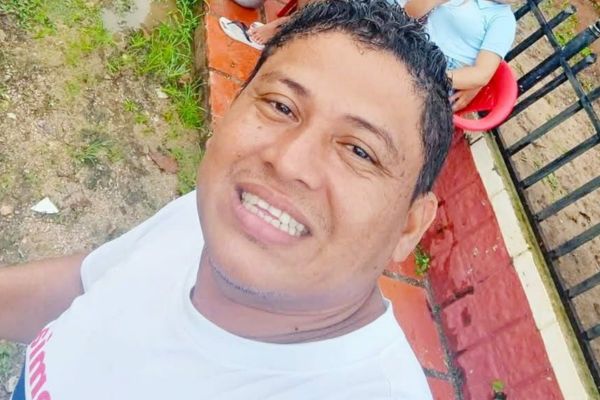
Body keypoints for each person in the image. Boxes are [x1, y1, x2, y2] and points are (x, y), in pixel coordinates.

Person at [0, 1, 454, 399]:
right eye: (281, 106)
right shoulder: (219, 216)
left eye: (358, 151)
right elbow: (88, 286)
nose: (288, 162)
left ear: (410, 225)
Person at [405, 0, 516, 110]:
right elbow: (407, 13)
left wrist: (432, 77)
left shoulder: (503, 20)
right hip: (414, 42)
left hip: (441, 70)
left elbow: (482, 74)